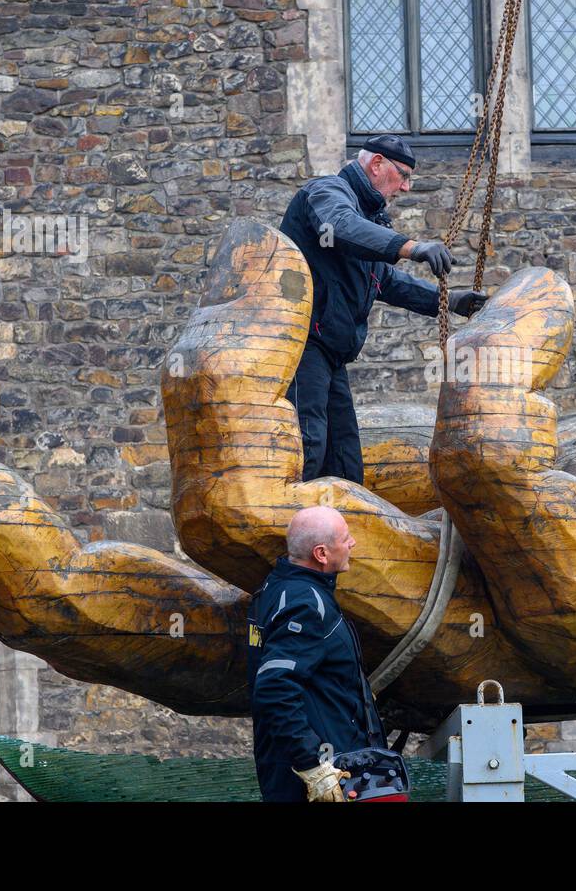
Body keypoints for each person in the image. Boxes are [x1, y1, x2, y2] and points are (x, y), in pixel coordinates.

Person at [278, 134, 488, 484]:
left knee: (344, 462)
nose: (405, 187)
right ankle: (293, 534)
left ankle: (337, 532)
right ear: (377, 164)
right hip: (304, 346)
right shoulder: (328, 192)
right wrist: (411, 247)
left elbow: (387, 282)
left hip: (330, 354)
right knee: (307, 447)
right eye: (402, 175)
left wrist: (451, 301)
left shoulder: (370, 218)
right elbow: (340, 228)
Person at [248, 505, 386, 802]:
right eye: (346, 538)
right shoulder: (306, 604)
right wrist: (314, 767)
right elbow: (275, 687)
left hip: (297, 771)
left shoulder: (274, 588)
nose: (353, 544)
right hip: (318, 782)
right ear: (321, 554)